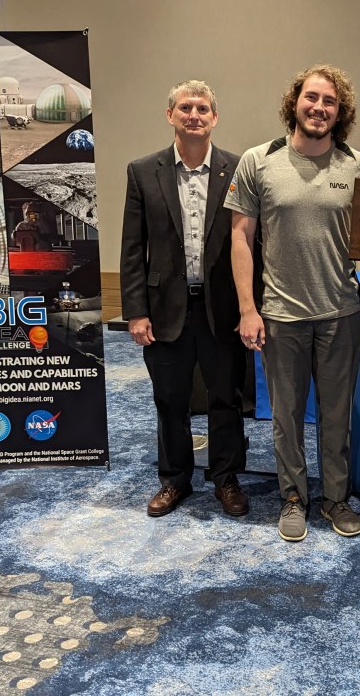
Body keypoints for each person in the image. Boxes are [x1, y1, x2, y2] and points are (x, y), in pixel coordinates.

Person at [226, 64, 360, 542]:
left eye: (329, 102)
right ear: (295, 102)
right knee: (286, 417)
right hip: (281, 315)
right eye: (312, 98)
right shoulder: (258, 161)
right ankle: (294, 496)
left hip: (340, 312)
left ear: (340, 111)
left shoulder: (357, 165)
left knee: (336, 415)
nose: (319, 108)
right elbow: (241, 238)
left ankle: (334, 498)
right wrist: (248, 309)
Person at [120, 80, 248, 519]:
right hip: (165, 309)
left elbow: (253, 242)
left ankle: (226, 478)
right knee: (170, 399)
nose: (195, 115)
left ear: (215, 117)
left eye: (203, 108)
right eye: (185, 107)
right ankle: (174, 480)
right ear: (170, 115)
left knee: (225, 398)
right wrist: (135, 312)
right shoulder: (142, 171)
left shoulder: (239, 169)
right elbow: (133, 248)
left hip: (223, 308)